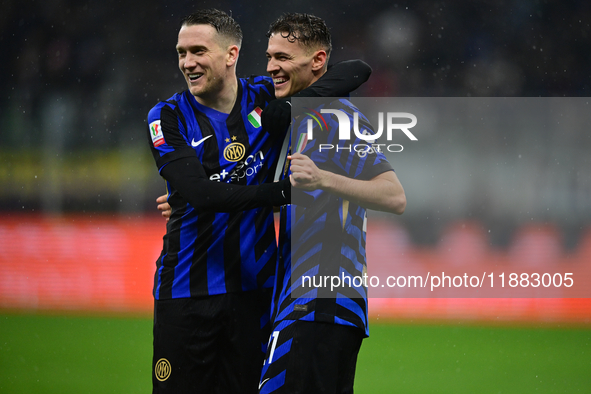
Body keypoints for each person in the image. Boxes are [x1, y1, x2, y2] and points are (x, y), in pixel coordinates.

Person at [146, 9, 372, 394]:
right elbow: (202, 195)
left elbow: (356, 69)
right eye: (182, 52)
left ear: (230, 54)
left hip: (254, 294)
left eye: (198, 51)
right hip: (186, 292)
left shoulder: (265, 96)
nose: (188, 62)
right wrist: (284, 192)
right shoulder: (166, 116)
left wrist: (293, 105)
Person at [258, 13, 406, 394]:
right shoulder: (305, 118)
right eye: (270, 56)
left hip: (321, 304)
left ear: (318, 61)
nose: (273, 66)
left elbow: (394, 195)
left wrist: (324, 179)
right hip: (308, 304)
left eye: (284, 57)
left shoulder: (336, 118)